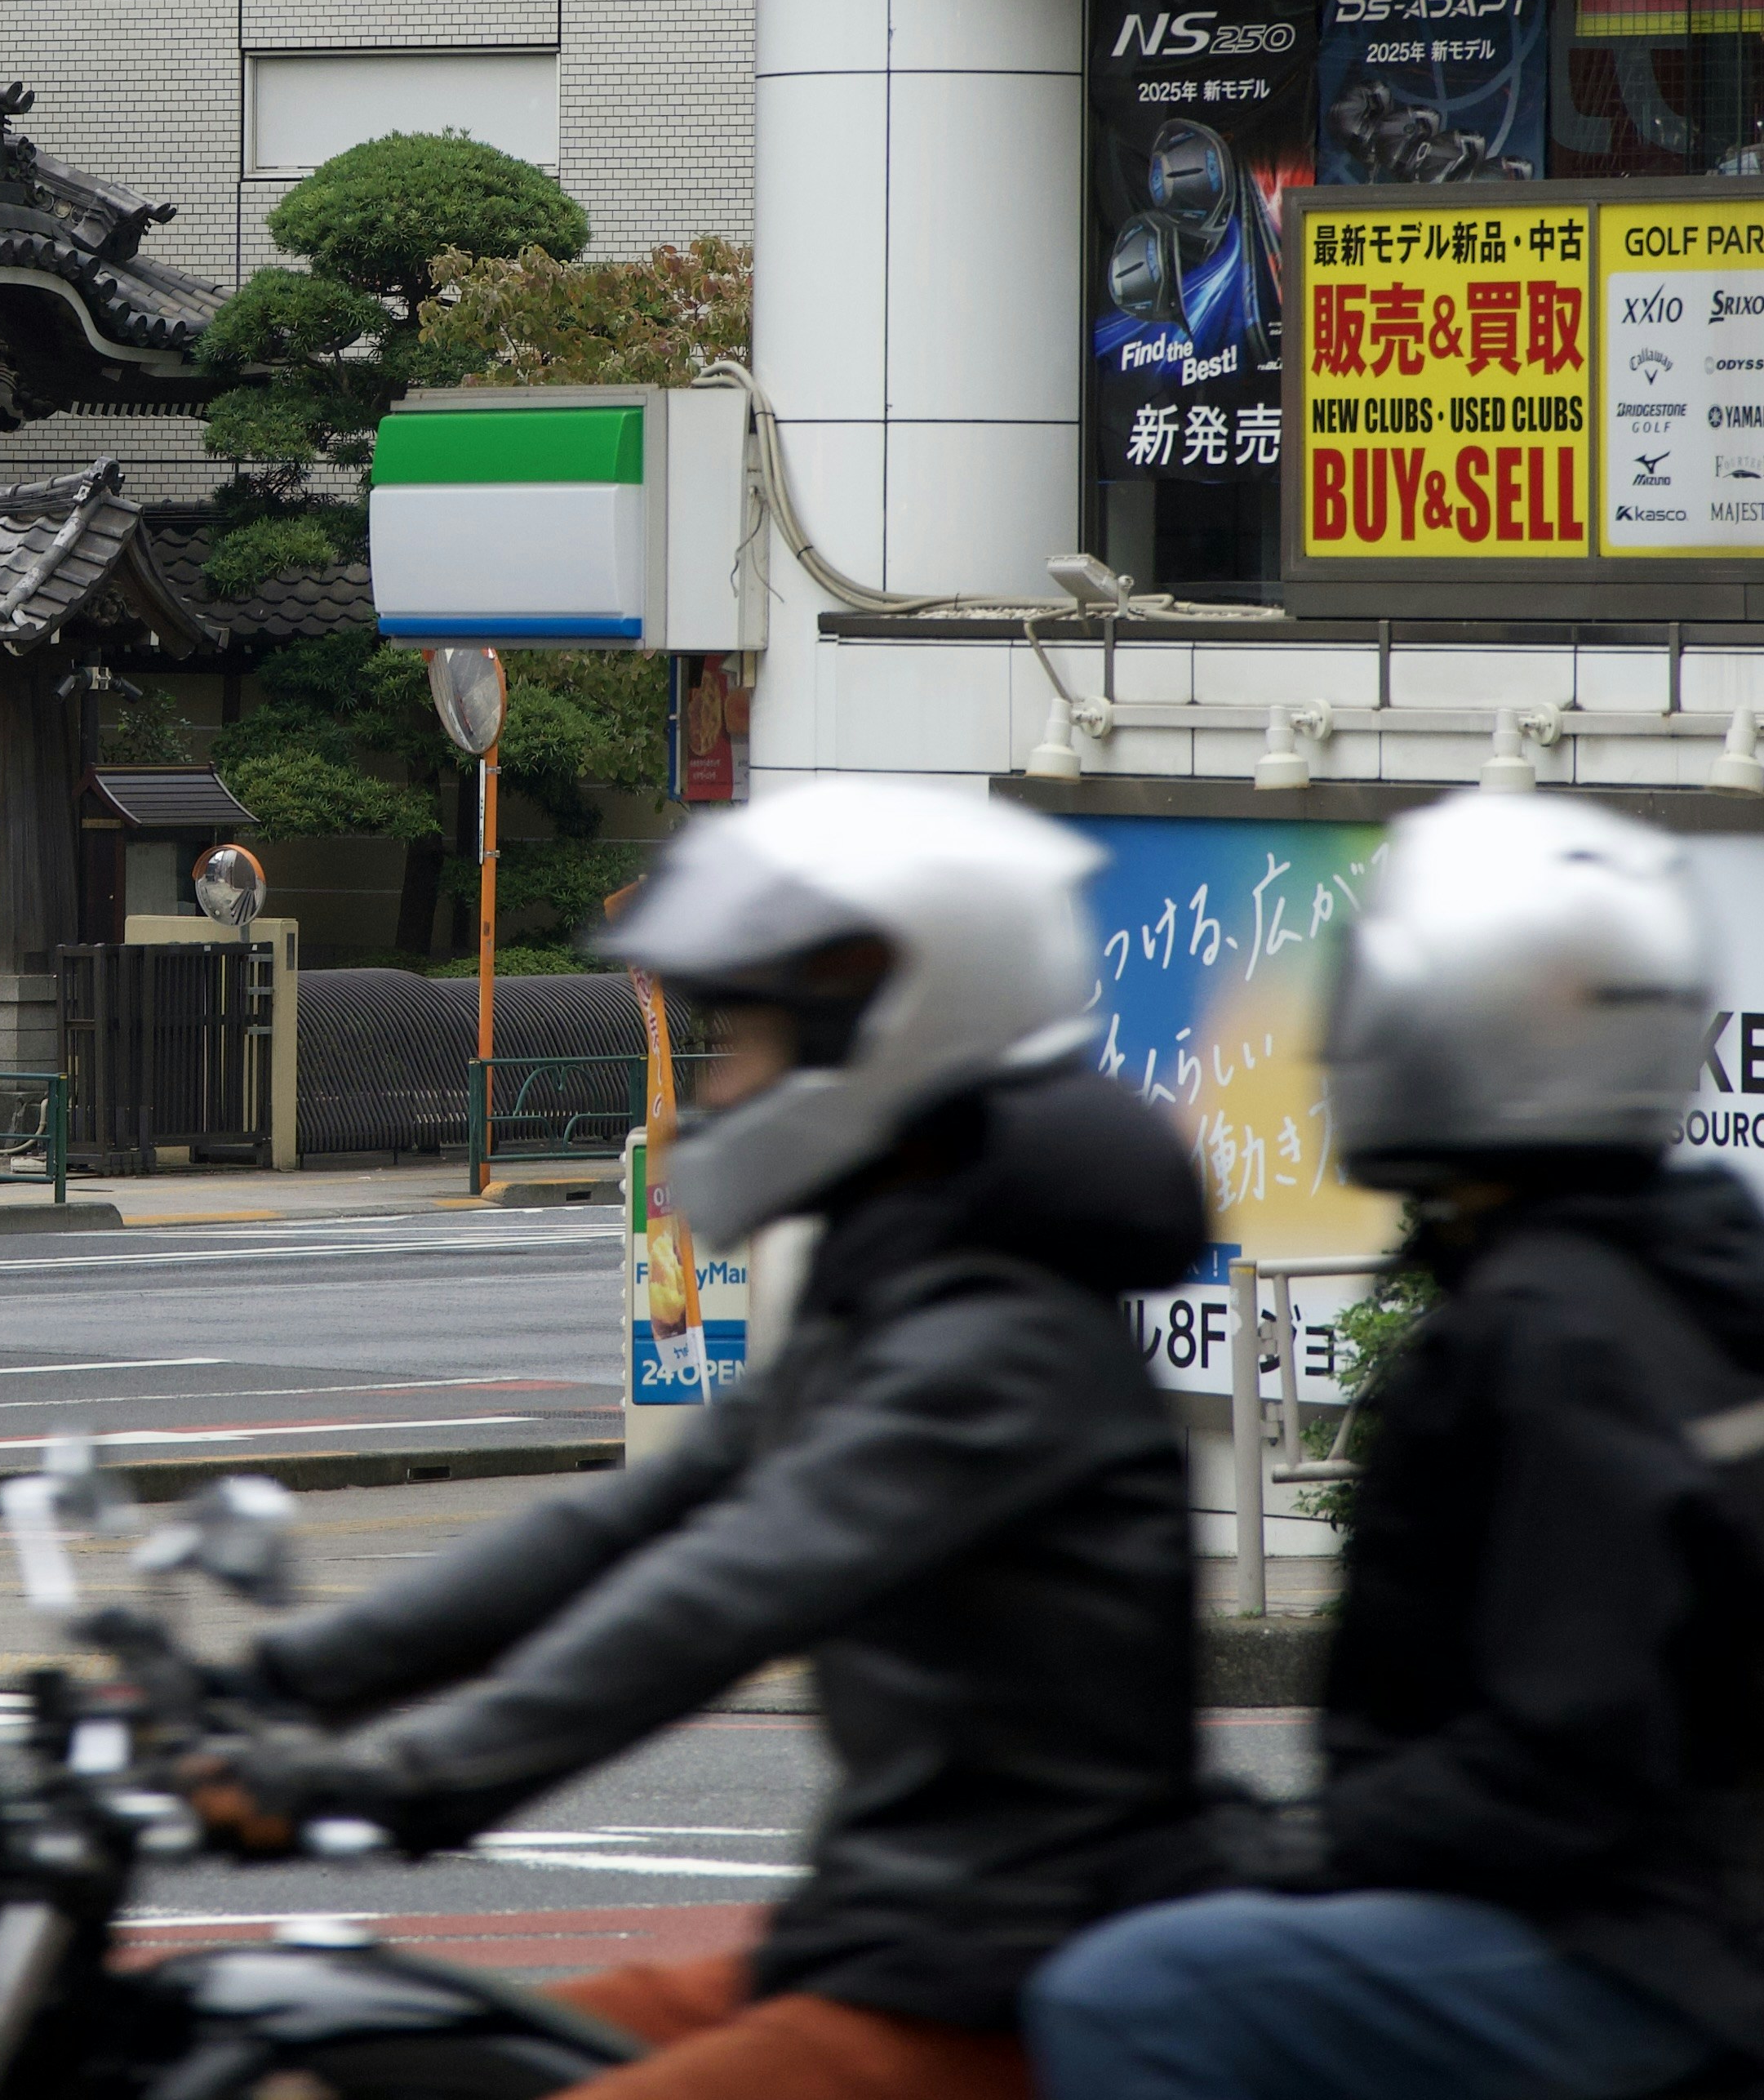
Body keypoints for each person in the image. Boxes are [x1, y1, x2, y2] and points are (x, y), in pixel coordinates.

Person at [183, 780, 1215, 2100]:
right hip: (879, 1943)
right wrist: (271, 1682)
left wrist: (400, 1775)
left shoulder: (992, 1347)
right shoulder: (902, 1288)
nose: (716, 1082)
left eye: (746, 1038)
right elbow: (625, 1521)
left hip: (991, 1985)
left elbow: (720, 1592)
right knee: (362, 2048)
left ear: (884, 1031)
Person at [1025, 793, 1764, 2100]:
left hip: (1645, 1937)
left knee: (1129, 1993)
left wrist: (1286, 1845)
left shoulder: (1549, 1337)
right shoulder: (1683, 1281)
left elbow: (1558, 1752)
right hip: (1680, 1904)